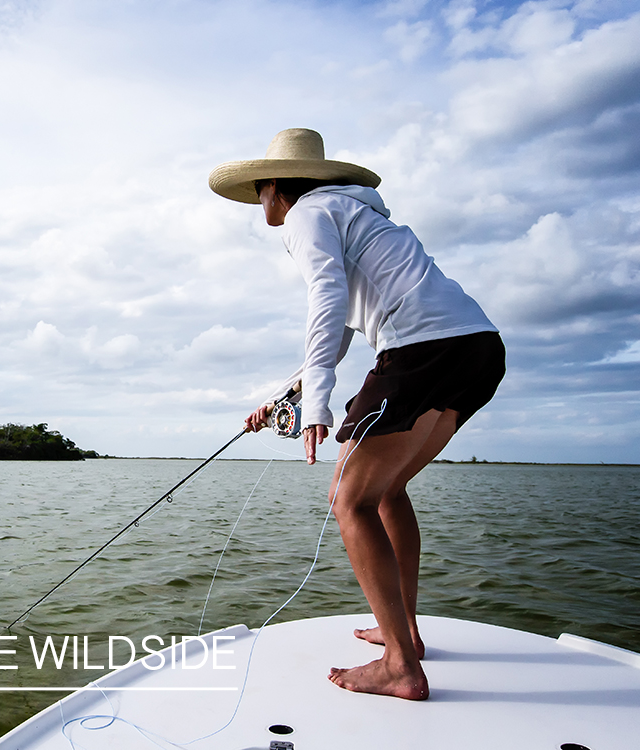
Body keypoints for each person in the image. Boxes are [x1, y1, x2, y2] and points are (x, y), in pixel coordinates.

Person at [208, 128, 505, 700]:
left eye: (260, 190)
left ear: (276, 186)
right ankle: (406, 635)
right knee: (386, 492)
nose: (259, 202)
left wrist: (318, 404)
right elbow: (344, 322)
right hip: (477, 347)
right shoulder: (354, 213)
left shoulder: (306, 214)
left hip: (421, 347)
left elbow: (326, 296)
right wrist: (288, 395)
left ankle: (400, 666)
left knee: (349, 500)